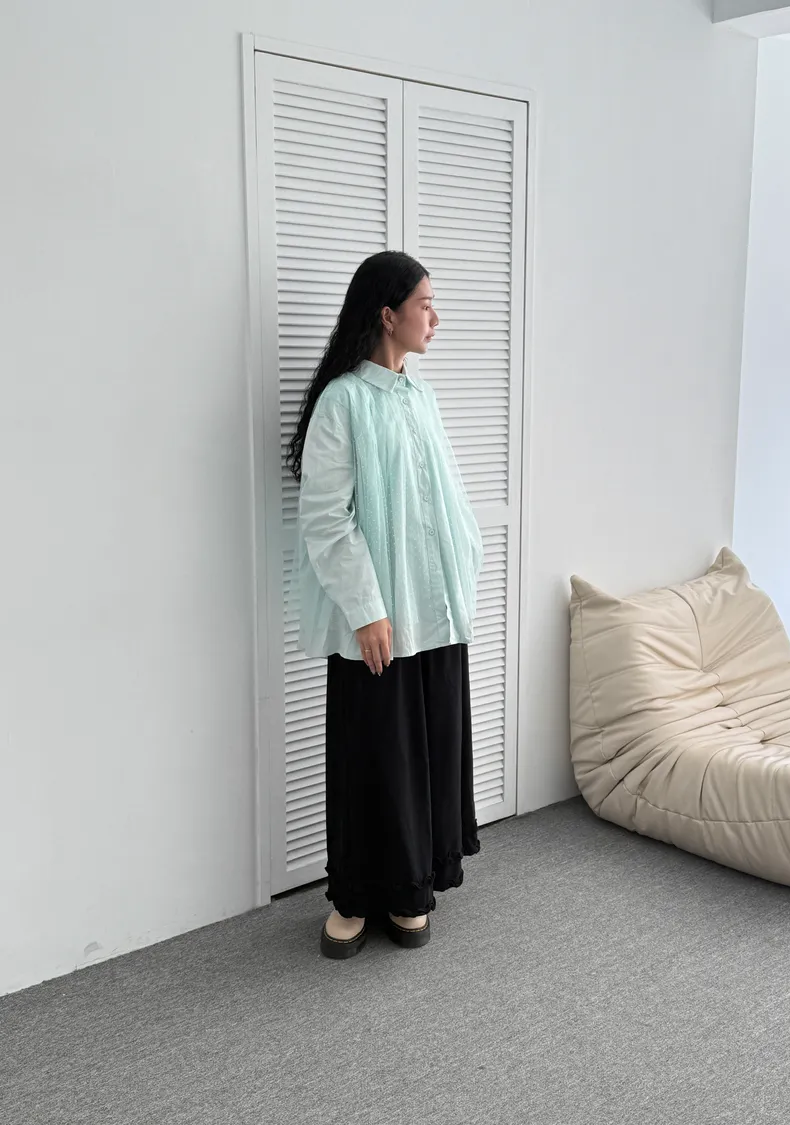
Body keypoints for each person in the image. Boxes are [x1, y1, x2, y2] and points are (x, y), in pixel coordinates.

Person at [287, 251, 484, 960]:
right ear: (387, 313)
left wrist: (463, 574)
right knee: (374, 752)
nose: (436, 317)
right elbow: (326, 518)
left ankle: (410, 888)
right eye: (425, 303)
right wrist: (367, 608)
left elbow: (444, 498)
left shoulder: (420, 396)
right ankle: (354, 896)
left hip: (435, 610)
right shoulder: (343, 402)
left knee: (426, 749)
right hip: (379, 618)